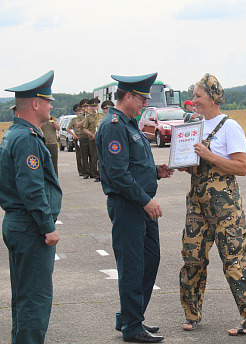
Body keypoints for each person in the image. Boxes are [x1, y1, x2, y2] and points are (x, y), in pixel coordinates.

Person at [178, 73, 246, 336]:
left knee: (234, 260)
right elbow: (194, 165)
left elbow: (242, 167)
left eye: (198, 96)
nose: (193, 101)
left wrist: (210, 155)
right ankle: (191, 314)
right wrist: (182, 163)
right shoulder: (195, 126)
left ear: (213, 97)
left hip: (225, 210)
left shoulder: (230, 127)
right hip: (197, 204)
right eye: (193, 96)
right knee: (192, 258)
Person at [95, 72, 173, 343]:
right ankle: (132, 327)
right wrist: (145, 200)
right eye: (141, 98)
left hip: (141, 205)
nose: (144, 104)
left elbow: (133, 165)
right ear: (127, 96)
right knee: (132, 266)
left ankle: (131, 317)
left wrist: (155, 171)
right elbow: (117, 174)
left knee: (149, 260)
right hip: (130, 206)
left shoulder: (128, 124)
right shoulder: (114, 125)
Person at [0, 70, 62, 344]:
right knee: (35, 301)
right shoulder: (26, 138)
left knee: (24, 298)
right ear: (35, 104)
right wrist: (48, 227)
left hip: (18, 222)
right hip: (30, 227)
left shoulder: (14, 134)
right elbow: (32, 188)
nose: (50, 105)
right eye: (47, 100)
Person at [67, 104, 83, 176]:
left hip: (85, 138)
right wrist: (74, 135)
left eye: (80, 111)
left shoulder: (85, 118)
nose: (79, 112)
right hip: (77, 138)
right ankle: (81, 171)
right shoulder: (74, 120)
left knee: (86, 155)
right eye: (78, 111)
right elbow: (68, 129)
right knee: (79, 155)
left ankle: (88, 170)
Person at [77, 98, 92, 179]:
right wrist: (86, 118)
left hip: (90, 137)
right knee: (84, 156)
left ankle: (93, 172)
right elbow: (78, 125)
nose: (85, 108)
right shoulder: (80, 116)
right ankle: (86, 172)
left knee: (92, 156)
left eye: (87, 106)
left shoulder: (93, 115)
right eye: (84, 107)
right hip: (83, 137)